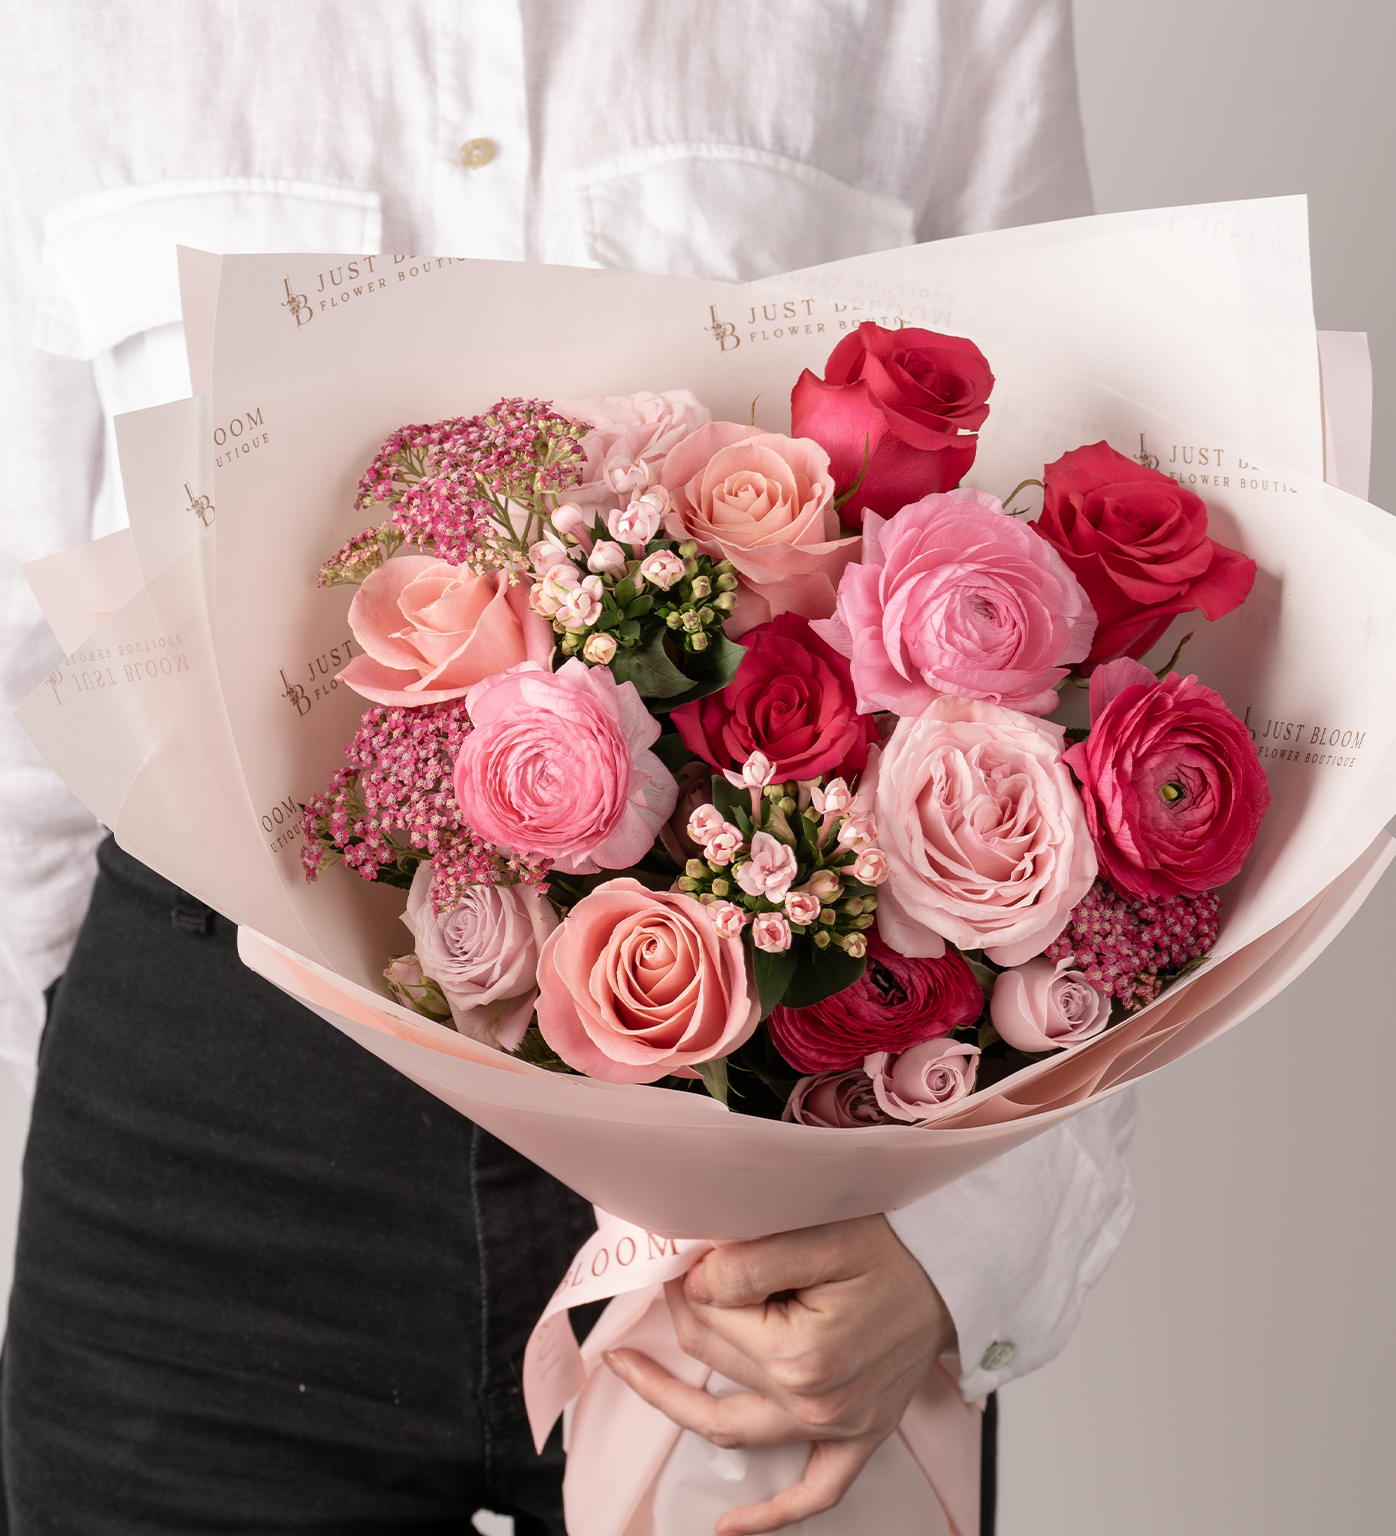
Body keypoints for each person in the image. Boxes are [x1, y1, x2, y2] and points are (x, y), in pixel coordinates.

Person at [0, 4, 1135, 1533]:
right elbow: (22, 672)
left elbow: (1076, 622)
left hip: (776, 1160)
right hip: (207, 1150)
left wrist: (965, 1256)